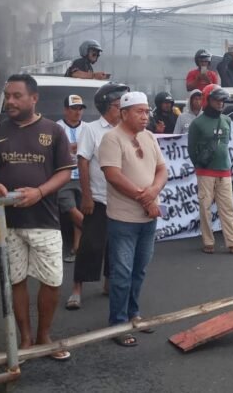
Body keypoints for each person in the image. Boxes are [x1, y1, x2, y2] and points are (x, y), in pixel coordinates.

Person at [0, 74, 74, 360]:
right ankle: (26, 338)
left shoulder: (53, 131)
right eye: (7, 96)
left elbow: (65, 172)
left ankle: (44, 335)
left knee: (52, 281)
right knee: (15, 281)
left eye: (17, 95)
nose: (10, 101)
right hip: (7, 223)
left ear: (34, 98)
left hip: (45, 220)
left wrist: (40, 192)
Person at [99, 91, 168, 347]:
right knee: (122, 272)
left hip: (148, 219)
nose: (145, 116)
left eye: (147, 111)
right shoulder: (112, 139)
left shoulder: (149, 137)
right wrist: (146, 199)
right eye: (139, 112)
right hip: (123, 219)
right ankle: (118, 323)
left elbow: (162, 169)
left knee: (139, 270)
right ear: (124, 113)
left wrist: (154, 192)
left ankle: (133, 314)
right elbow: (113, 176)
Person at [65, 83, 129, 311]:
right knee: (90, 245)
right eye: (117, 105)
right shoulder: (91, 130)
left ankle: (109, 284)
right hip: (99, 199)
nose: (122, 109)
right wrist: (87, 196)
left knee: (117, 245)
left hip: (122, 201)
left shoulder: (127, 129)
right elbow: (82, 161)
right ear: (104, 106)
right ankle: (76, 289)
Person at [189, 85, 233, 256]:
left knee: (228, 208)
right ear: (207, 100)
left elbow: (225, 144)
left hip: (224, 171)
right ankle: (208, 241)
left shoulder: (226, 120)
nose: (220, 103)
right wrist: (200, 165)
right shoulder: (197, 123)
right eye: (216, 100)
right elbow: (191, 149)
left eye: (222, 100)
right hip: (206, 172)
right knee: (205, 208)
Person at [56, 95, 89, 263]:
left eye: (80, 108)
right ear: (66, 110)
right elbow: (51, 151)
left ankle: (77, 247)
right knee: (69, 207)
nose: (78, 112)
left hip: (84, 175)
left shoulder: (88, 128)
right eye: (74, 108)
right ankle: (95, 234)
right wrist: (68, 148)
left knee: (81, 208)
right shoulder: (56, 128)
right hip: (65, 176)